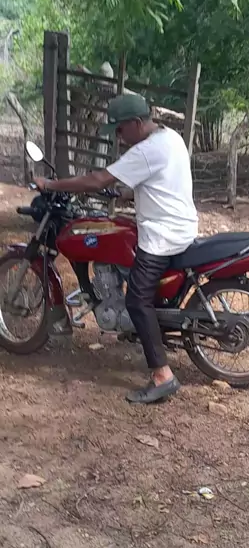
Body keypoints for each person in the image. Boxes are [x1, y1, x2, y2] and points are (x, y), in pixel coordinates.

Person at [34, 93, 198, 404]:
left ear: (136, 123)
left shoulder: (146, 150)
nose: (119, 138)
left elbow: (98, 179)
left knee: (137, 300)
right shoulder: (170, 137)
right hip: (180, 225)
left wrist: (51, 184)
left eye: (121, 130)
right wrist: (123, 192)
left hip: (163, 235)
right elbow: (159, 181)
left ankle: (163, 376)